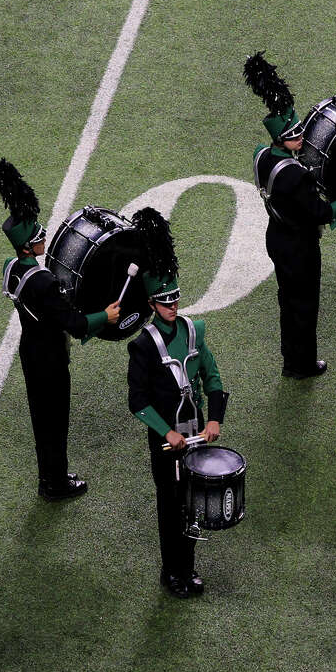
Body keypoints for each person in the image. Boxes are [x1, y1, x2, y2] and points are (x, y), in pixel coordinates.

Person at [0, 159, 120, 500]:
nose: (45, 238)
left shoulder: (13, 267)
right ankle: (55, 484)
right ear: (29, 246)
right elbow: (75, 325)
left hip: (30, 351)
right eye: (40, 236)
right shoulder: (44, 283)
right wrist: (104, 316)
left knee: (41, 420)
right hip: (49, 357)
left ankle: (52, 475)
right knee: (54, 422)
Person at [126, 208, 228, 597]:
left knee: (192, 502)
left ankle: (189, 567)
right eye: (165, 302)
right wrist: (165, 430)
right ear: (152, 304)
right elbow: (137, 401)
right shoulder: (142, 346)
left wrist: (214, 419)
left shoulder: (194, 331)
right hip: (166, 439)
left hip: (196, 431)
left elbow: (213, 378)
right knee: (171, 508)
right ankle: (173, 573)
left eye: (176, 300)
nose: (173, 307)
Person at [244, 51, 336, 378]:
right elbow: (321, 212)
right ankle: (302, 365)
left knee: (288, 302)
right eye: (296, 134)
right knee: (304, 306)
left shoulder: (262, 155)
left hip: (277, 237)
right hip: (299, 246)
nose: (302, 137)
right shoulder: (295, 176)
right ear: (283, 138)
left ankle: (290, 359)